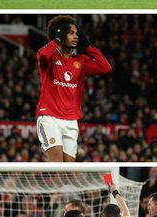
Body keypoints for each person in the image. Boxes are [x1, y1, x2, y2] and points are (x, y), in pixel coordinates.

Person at [35, 15, 112, 162]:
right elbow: (43, 56)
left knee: (68, 171)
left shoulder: (81, 61)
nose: (76, 37)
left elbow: (105, 67)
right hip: (49, 117)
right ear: (61, 34)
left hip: (71, 121)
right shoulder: (50, 57)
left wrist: (88, 46)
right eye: (71, 33)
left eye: (77, 34)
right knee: (57, 161)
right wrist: (56, 40)